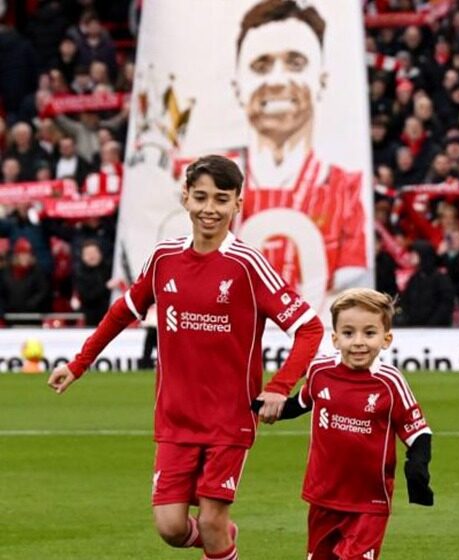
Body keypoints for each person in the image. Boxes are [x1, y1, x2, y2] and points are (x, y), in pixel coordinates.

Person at [47, 155, 324, 560]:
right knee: (171, 527)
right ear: (186, 198)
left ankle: (218, 537)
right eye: (201, 197)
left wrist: (280, 387)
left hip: (229, 417)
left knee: (211, 520)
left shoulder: (248, 265)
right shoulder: (164, 259)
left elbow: (309, 328)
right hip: (176, 417)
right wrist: (78, 363)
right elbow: (122, 310)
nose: (210, 208)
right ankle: (222, 539)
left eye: (221, 199)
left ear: (237, 204)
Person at [254, 288, 434, 560]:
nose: (358, 342)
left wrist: (417, 468)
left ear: (386, 339)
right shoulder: (320, 371)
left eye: (369, 333)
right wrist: (257, 407)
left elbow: (418, 431)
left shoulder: (390, 382)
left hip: (368, 501)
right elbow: (299, 404)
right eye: (349, 333)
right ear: (335, 338)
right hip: (323, 496)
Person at [233, 0, 368, 294]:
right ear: (237, 85)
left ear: (321, 80)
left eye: (295, 63)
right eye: (261, 66)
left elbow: (349, 283)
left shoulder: (346, 191)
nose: (278, 80)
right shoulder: (205, 183)